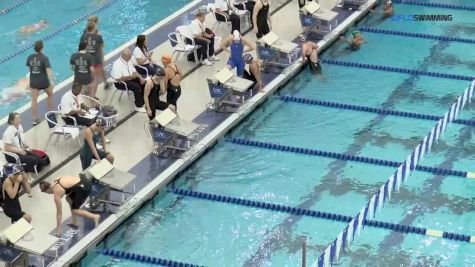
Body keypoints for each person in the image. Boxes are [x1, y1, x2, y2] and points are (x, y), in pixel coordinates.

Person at [26, 40, 54, 125]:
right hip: (44, 82)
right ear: (42, 48)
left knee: (34, 100)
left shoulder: (30, 57)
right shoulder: (44, 58)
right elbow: (49, 71)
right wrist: (51, 82)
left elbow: (29, 69)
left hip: (34, 82)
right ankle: (50, 113)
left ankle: (35, 119)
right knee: (50, 94)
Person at [80, 21, 104, 98]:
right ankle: (92, 97)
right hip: (96, 61)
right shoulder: (98, 37)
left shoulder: (83, 37)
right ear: (94, 28)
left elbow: (81, 48)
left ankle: (85, 91)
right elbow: (102, 46)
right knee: (96, 79)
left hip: (87, 61)